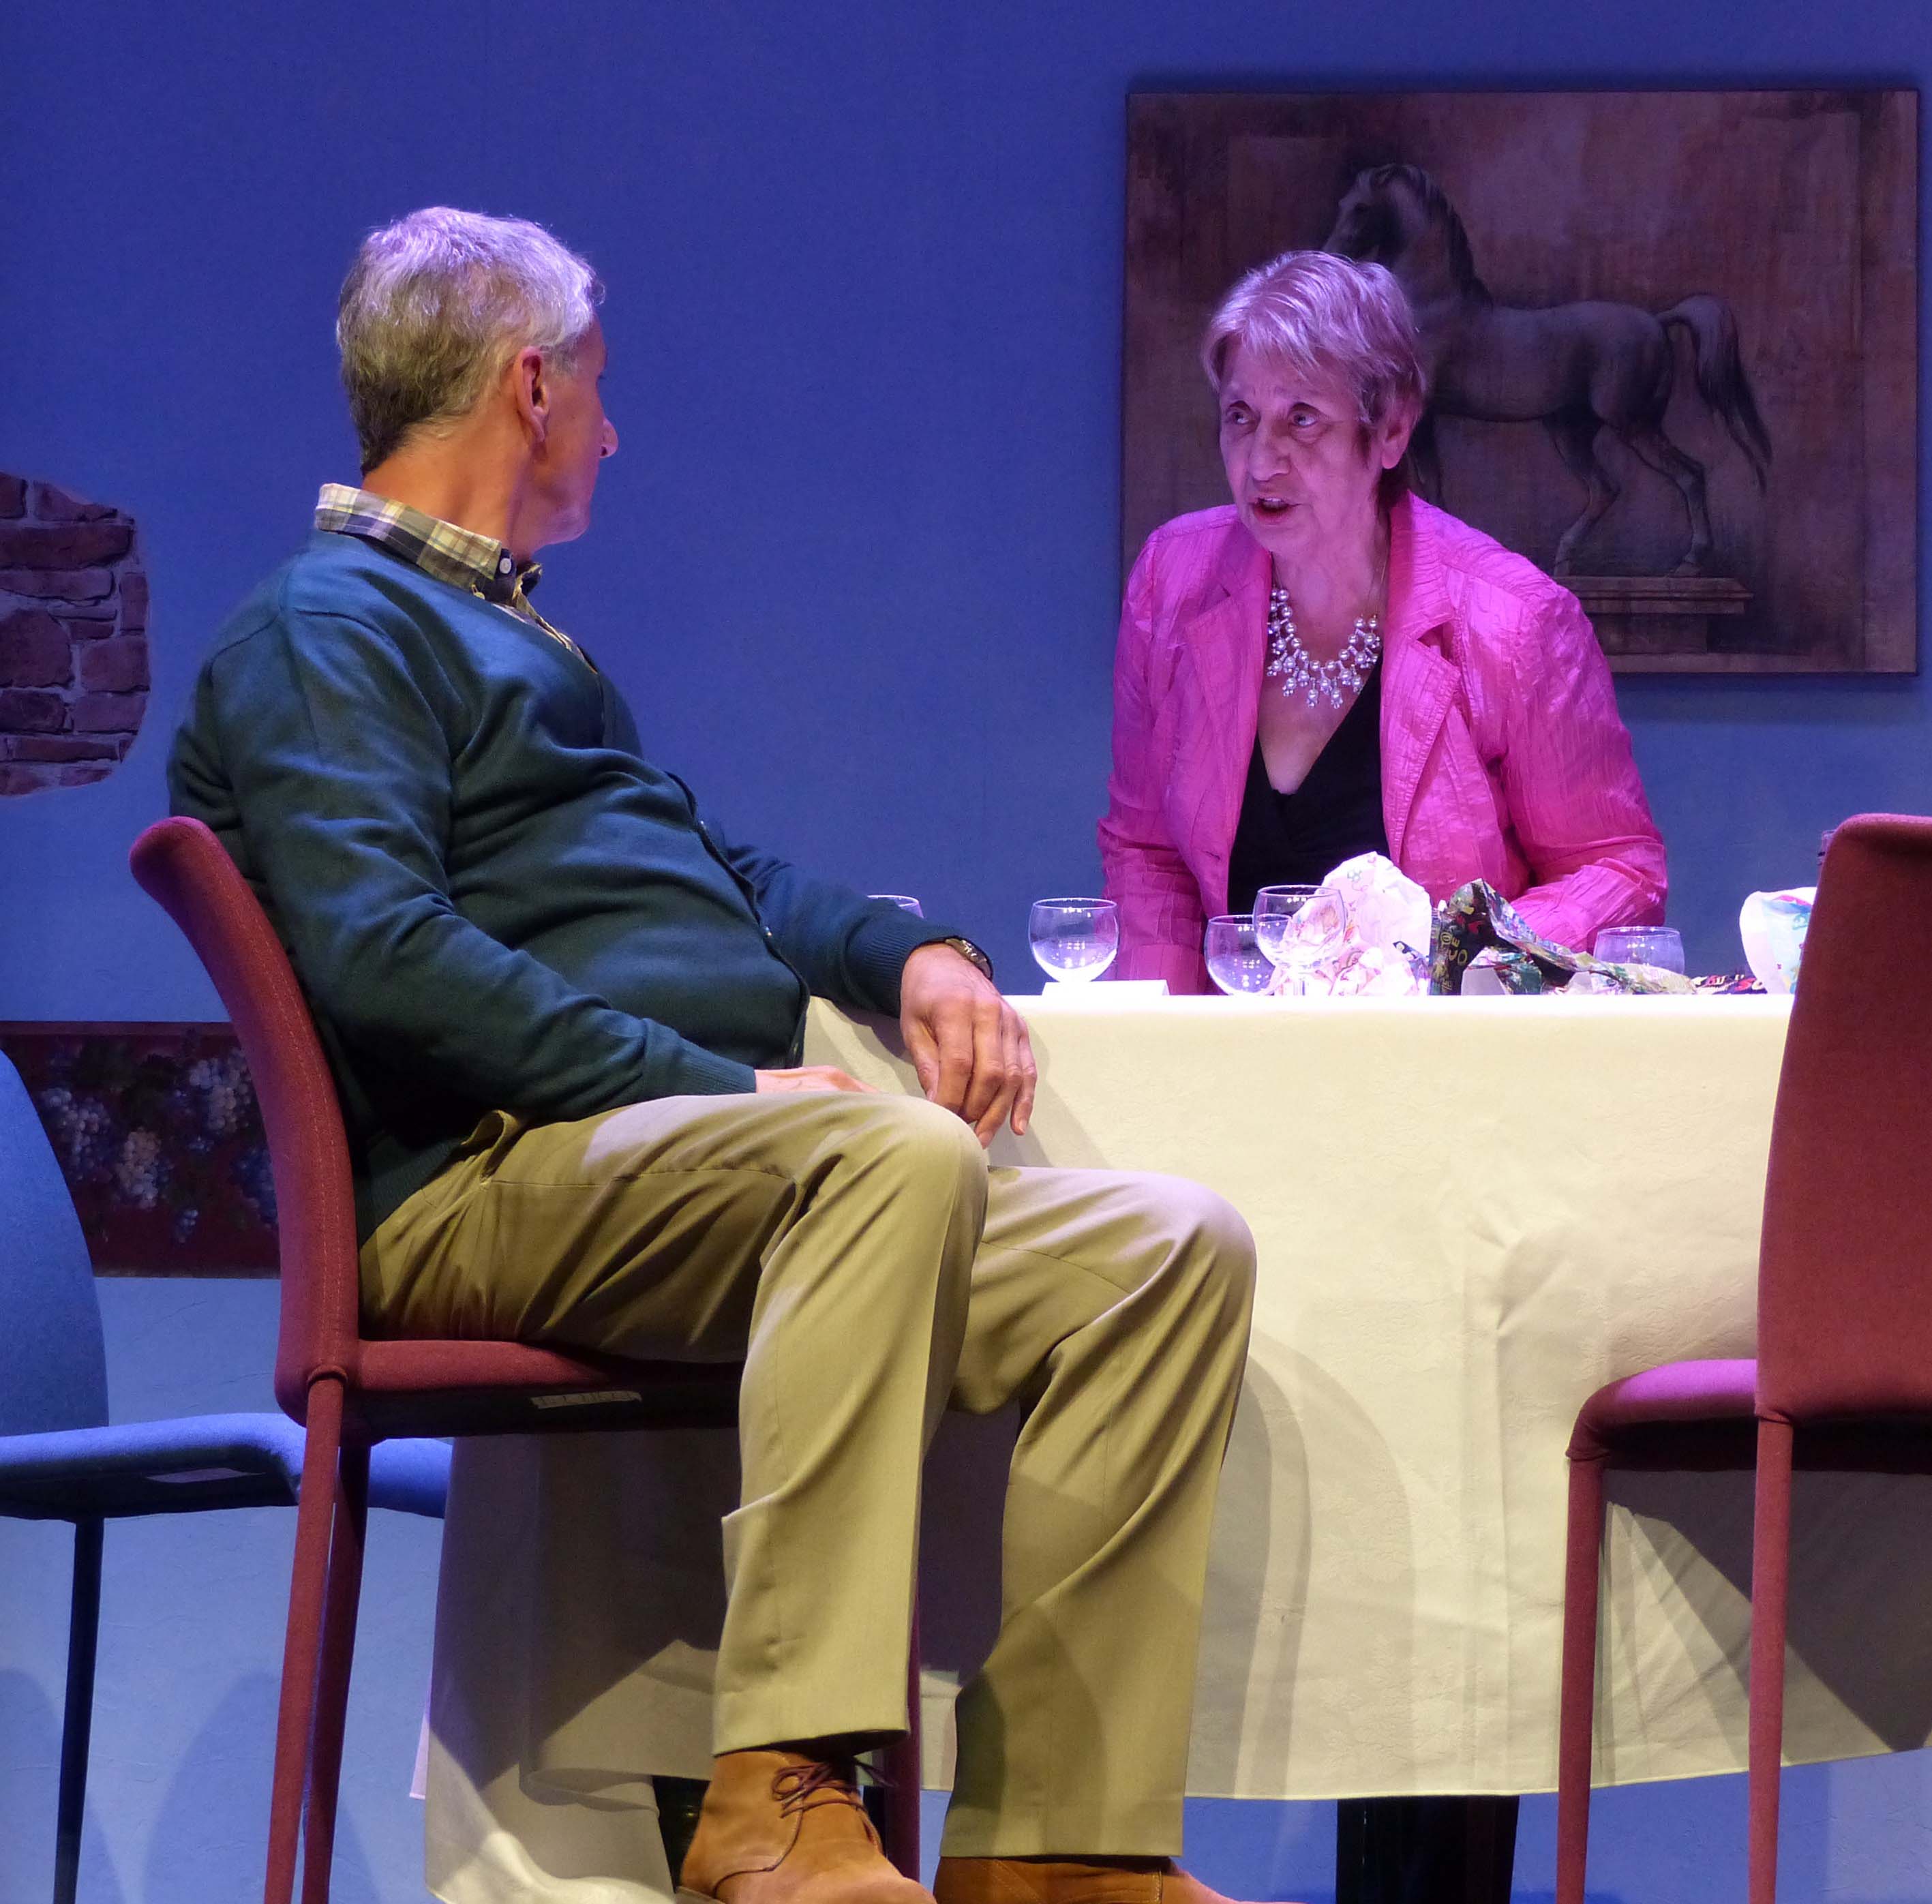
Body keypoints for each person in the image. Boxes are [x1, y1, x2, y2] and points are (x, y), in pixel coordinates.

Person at [168, 207, 1264, 1904]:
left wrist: (909, 952)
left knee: (1166, 1249)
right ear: (529, 385)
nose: (611, 432)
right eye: (598, 388)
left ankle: (1058, 1851)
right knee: (886, 1153)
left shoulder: (521, 639)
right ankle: (781, 1797)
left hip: (680, 1178)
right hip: (483, 1177)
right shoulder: (327, 627)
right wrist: (711, 1088)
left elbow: (727, 877)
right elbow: (380, 953)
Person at [1099, 250, 1667, 995]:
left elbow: (1618, 869)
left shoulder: (1516, 621)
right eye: (1240, 416)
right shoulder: (1171, 582)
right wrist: (1165, 1044)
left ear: (1392, 430)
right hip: (1228, 1052)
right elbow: (1148, 854)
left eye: (1302, 419)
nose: (1260, 461)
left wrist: (1451, 971)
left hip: (1447, 1053)